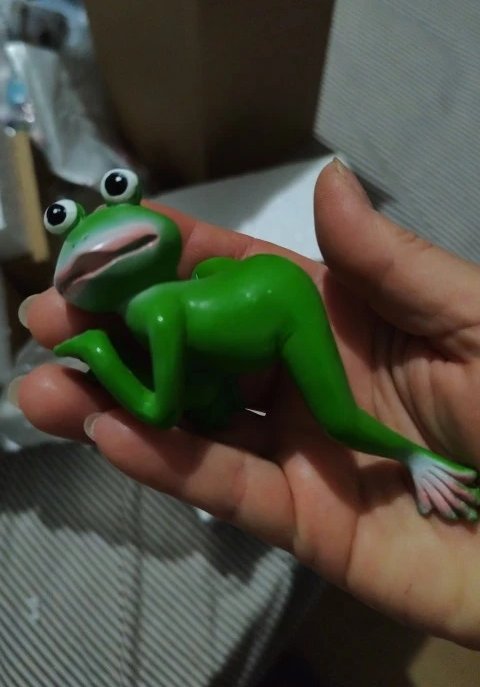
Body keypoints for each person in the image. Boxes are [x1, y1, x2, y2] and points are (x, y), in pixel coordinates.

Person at [13, 160, 480, 651]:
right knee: (206, 389)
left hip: (281, 303)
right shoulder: (160, 304)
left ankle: (417, 458)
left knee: (339, 420)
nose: (90, 238)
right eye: (61, 221)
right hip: (248, 282)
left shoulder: (156, 312)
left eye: (117, 190)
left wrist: (101, 354)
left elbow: (157, 412)